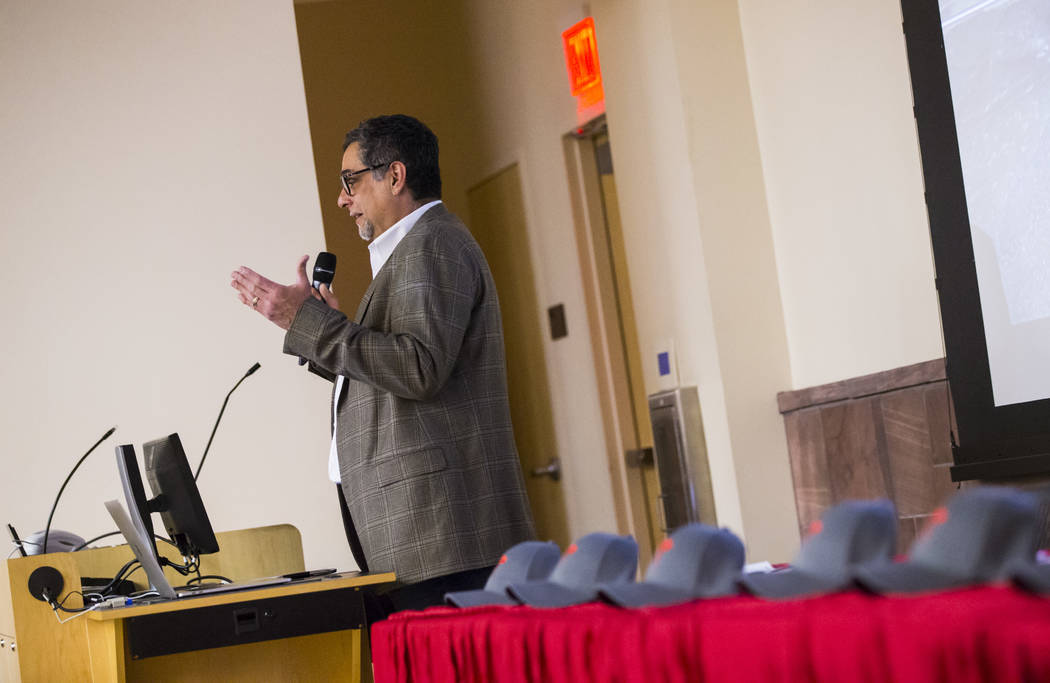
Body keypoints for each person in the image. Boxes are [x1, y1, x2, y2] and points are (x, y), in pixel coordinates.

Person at [230, 114, 535, 616]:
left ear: (394, 176)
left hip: (443, 533)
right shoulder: (412, 250)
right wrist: (318, 330)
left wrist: (307, 324)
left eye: (350, 180)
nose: (342, 198)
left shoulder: (431, 242)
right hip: (426, 535)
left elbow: (418, 368)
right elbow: (403, 371)